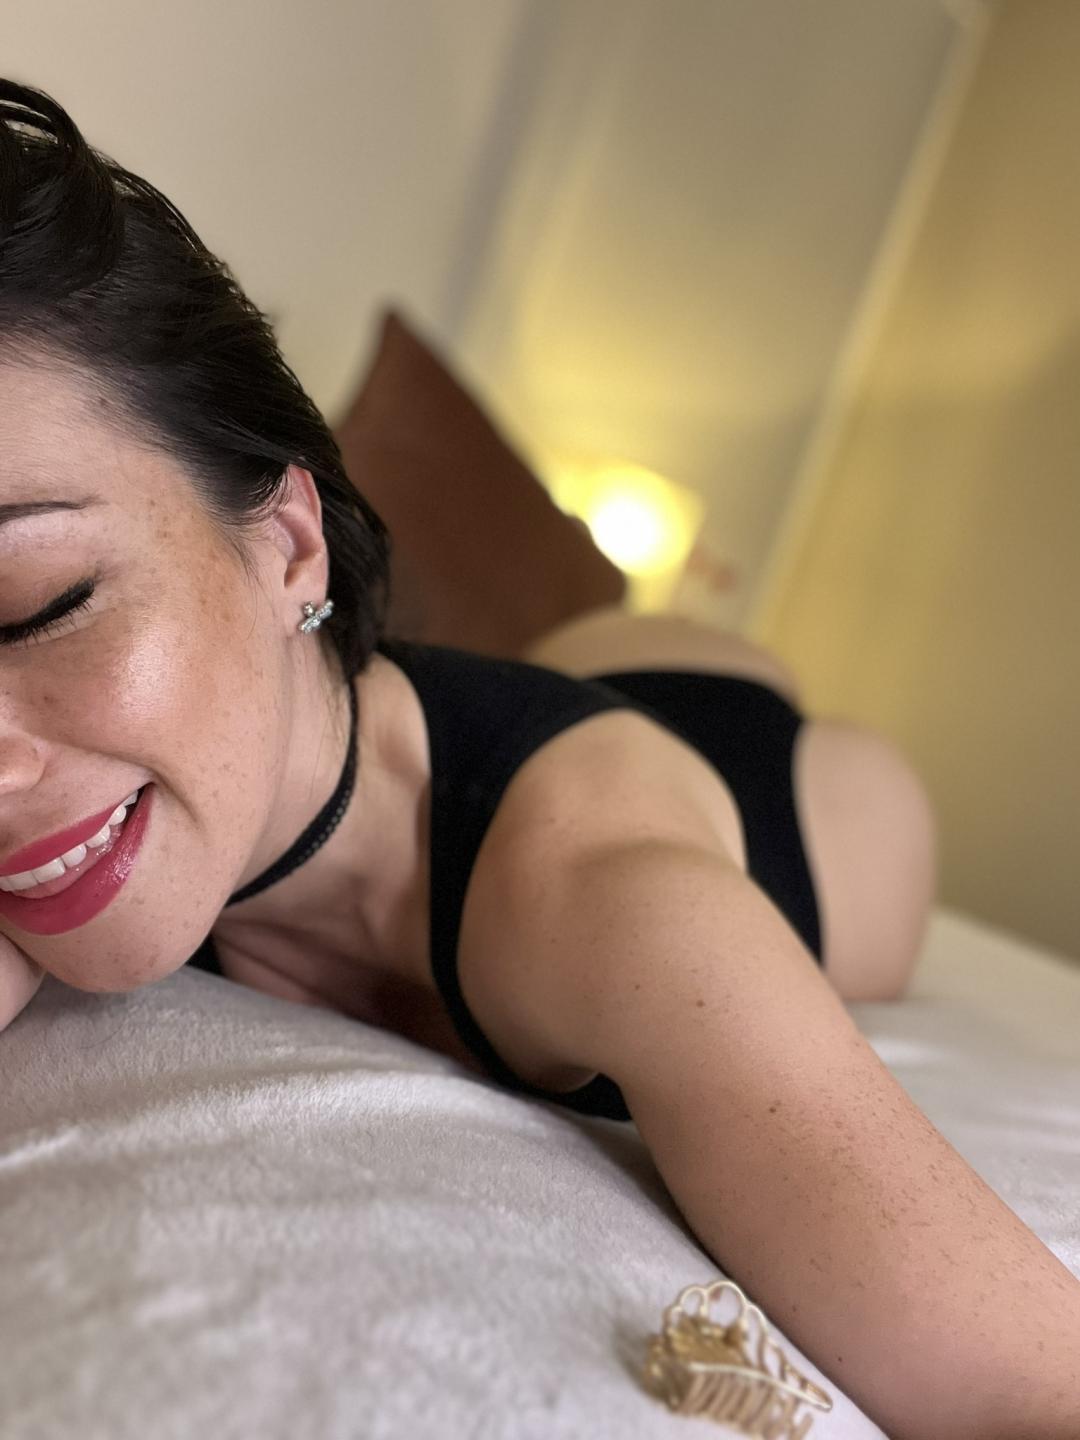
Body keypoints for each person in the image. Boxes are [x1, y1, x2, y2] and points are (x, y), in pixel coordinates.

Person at [0, 79, 1076, 1440]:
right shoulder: (96, 783)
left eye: (39, 606)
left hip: (773, 772)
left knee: (693, 689)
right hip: (508, 697)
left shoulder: (618, 906)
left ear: (289, 543)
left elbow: (1032, 1387)